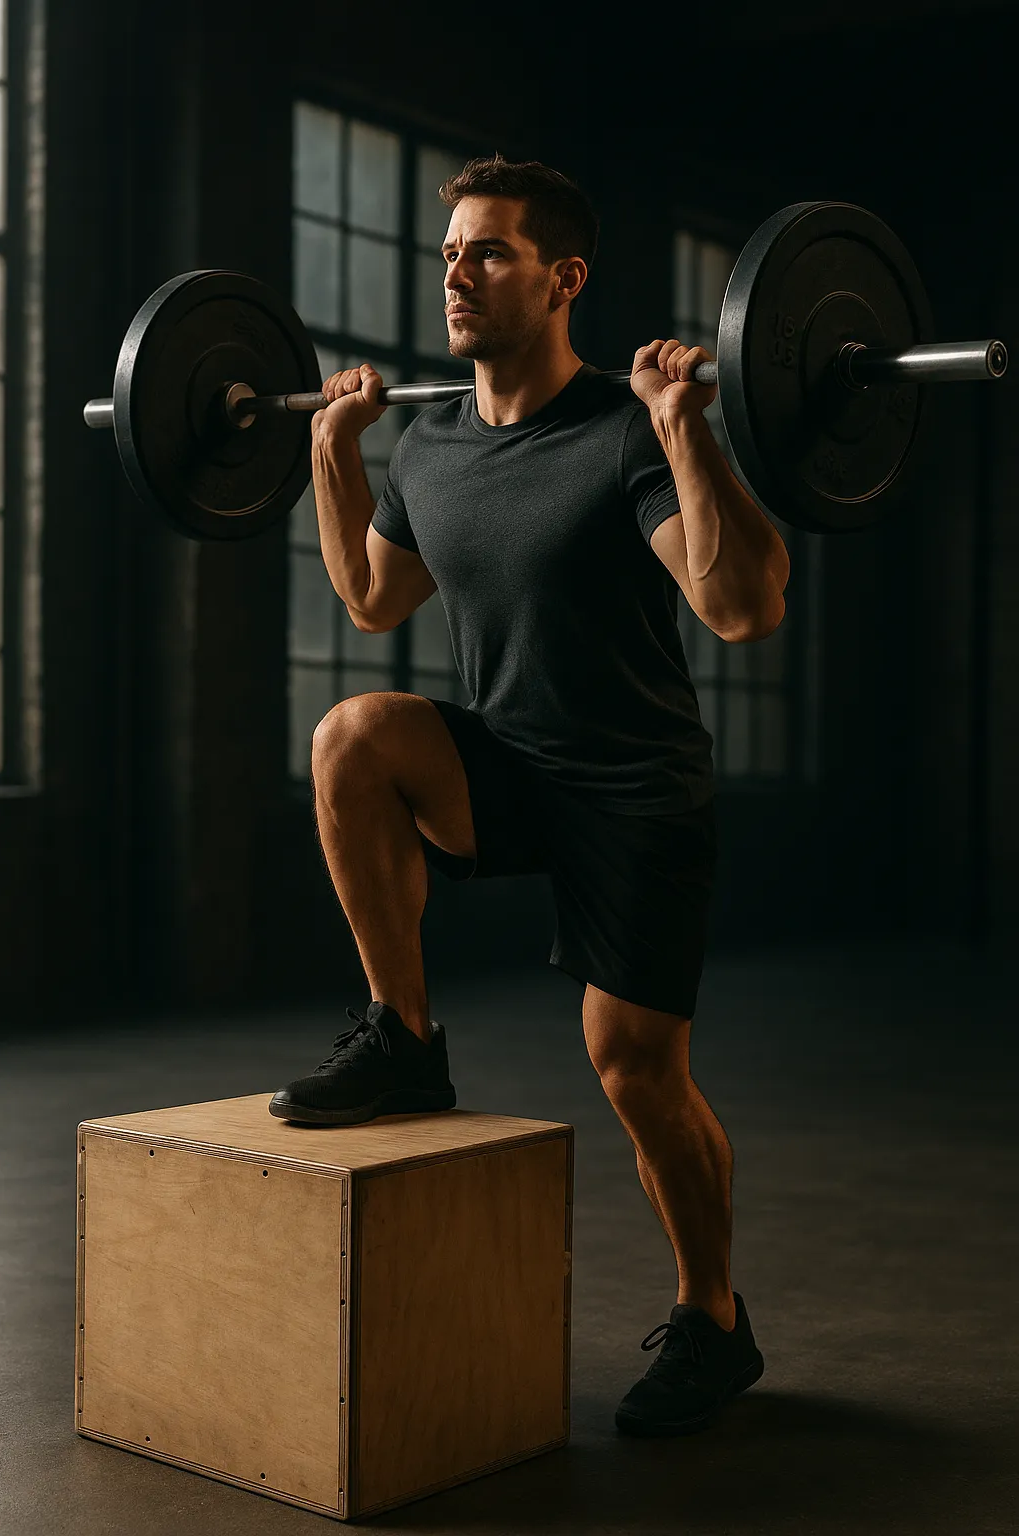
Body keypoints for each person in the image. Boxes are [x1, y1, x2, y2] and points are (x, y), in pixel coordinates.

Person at [270, 154, 788, 1437]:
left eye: (488, 251)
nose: (456, 269)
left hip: (632, 791)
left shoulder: (622, 428)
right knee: (354, 735)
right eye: (450, 251)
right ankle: (404, 1036)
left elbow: (738, 609)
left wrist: (688, 434)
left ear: (563, 279)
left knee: (634, 1073)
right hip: (506, 766)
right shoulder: (434, 443)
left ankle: (713, 1321)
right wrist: (335, 452)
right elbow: (373, 600)